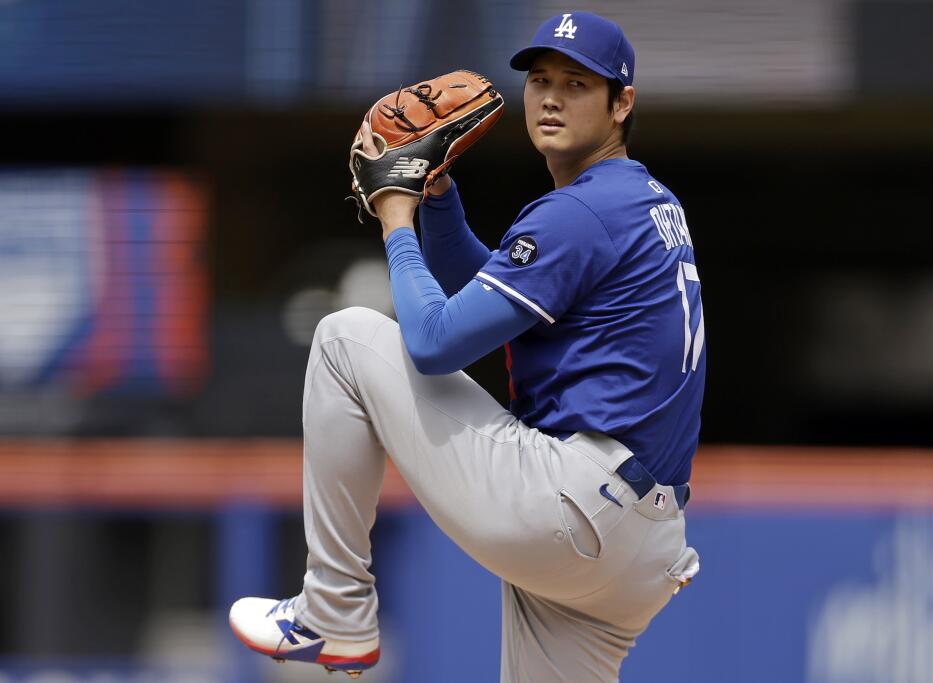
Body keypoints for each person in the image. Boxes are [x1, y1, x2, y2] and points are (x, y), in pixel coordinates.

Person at [229, 11, 705, 682]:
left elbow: (434, 341)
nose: (551, 97)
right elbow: (489, 305)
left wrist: (395, 215)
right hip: (643, 546)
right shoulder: (645, 201)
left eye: (577, 83)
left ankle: (334, 609)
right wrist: (438, 199)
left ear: (622, 102)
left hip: (577, 505)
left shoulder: (579, 212)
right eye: (541, 80)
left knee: (343, 337)